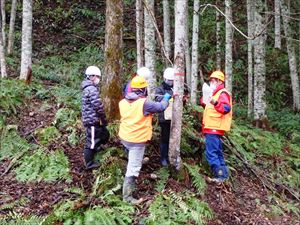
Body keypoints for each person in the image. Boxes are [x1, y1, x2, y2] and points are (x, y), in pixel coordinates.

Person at [119, 76, 172, 204]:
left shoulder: (123, 102)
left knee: (130, 152)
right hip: (136, 140)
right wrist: (166, 98)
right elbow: (160, 107)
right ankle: (127, 197)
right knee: (133, 169)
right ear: (143, 89)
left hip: (125, 136)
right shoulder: (144, 103)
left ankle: (135, 159)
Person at [200, 70, 232, 183]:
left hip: (215, 127)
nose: (211, 82)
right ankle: (224, 174)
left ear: (219, 81)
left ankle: (219, 176)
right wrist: (206, 99)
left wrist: (214, 102)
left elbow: (226, 108)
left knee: (211, 153)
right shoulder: (214, 93)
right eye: (211, 80)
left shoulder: (222, 93)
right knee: (217, 152)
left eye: (213, 80)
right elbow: (207, 106)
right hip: (212, 127)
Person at [81, 66, 110, 170]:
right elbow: (98, 106)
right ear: (91, 76)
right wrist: (103, 118)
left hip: (94, 119)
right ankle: (89, 163)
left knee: (104, 134)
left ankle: (98, 147)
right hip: (92, 120)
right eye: (97, 76)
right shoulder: (91, 89)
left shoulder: (89, 88)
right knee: (91, 143)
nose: (98, 79)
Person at [154, 67, 175, 166]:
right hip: (164, 118)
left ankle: (172, 156)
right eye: (169, 80)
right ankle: (163, 158)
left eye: (172, 80)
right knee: (165, 139)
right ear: (165, 79)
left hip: (174, 118)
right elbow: (157, 98)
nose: (170, 82)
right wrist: (168, 97)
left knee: (173, 138)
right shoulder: (160, 88)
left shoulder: (176, 87)